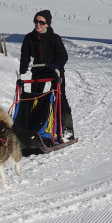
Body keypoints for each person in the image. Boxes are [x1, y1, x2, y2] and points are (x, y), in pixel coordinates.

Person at [19, 9, 74, 140]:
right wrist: (23, 66)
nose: (38, 24)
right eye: (36, 21)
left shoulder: (54, 38)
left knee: (60, 98)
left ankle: (67, 130)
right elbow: (25, 55)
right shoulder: (29, 38)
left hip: (54, 71)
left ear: (47, 24)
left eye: (41, 22)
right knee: (35, 98)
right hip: (38, 70)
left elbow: (63, 56)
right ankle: (34, 128)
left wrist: (56, 65)